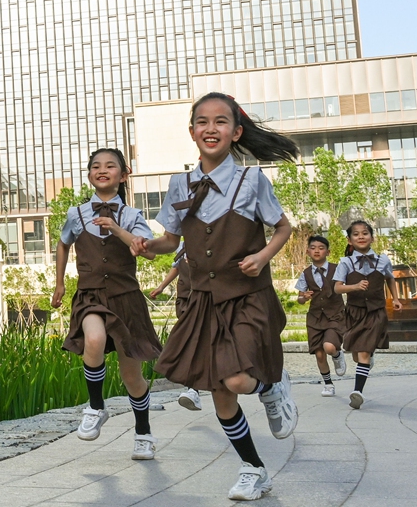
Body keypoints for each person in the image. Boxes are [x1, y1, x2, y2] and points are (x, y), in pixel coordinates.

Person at [132, 92, 299, 502]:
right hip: (203, 300)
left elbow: (283, 228)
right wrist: (146, 246)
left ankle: (271, 387)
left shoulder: (251, 180)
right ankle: (253, 468)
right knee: (220, 390)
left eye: (220, 121)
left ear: (236, 131)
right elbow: (171, 241)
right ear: (192, 132)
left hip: (246, 296)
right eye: (202, 122)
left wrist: (261, 256)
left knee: (239, 380)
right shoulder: (179, 184)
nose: (211, 128)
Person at [51, 148, 162, 460]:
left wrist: (116, 229)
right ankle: (96, 406)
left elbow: (149, 252)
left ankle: (143, 433)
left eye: (110, 166)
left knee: (132, 375)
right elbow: (63, 244)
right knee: (94, 338)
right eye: (96, 166)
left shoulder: (131, 216)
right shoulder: (77, 213)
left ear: (123, 175)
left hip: (126, 300)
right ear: (89, 176)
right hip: (90, 295)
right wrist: (60, 283)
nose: (103, 170)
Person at [333, 220, 403, 410]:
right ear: (349, 240)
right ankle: (367, 359)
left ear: (372, 237)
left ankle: (358, 392)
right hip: (354, 313)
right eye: (356, 234)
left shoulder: (383, 260)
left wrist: (396, 299)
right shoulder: (345, 262)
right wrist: (354, 286)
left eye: (365, 233)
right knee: (357, 354)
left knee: (362, 352)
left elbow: (390, 278)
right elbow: (337, 288)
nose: (361, 237)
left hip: (376, 312)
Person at [150, 244, 203, 411]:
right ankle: (193, 388)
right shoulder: (182, 246)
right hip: (184, 300)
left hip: (202, 299)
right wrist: (161, 287)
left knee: (194, 341)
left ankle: (194, 389)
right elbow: (177, 268)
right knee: (190, 341)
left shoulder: (209, 242)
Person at [294, 235, 348, 396]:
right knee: (319, 354)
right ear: (307, 251)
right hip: (315, 318)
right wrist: (304, 297)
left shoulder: (337, 268)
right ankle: (328, 384)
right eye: (313, 247)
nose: (317, 250)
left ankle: (337, 355)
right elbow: (300, 299)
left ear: (328, 251)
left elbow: (344, 286)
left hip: (335, 315)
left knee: (329, 347)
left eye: (321, 247)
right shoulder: (305, 274)